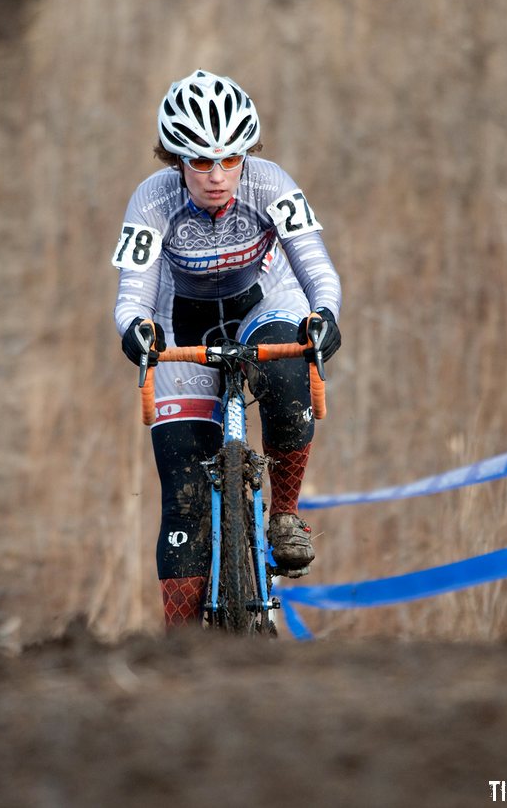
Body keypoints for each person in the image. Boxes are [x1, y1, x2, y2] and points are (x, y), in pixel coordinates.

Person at [111, 69, 342, 628]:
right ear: (175, 160)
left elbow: (316, 268)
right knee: (182, 501)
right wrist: (137, 332)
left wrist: (326, 317)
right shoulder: (152, 199)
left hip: (264, 304)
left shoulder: (270, 184)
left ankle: (285, 515)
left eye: (230, 159)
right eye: (200, 162)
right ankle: (185, 654)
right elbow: (132, 297)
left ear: (247, 155)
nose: (217, 176)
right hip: (181, 323)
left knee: (290, 370)